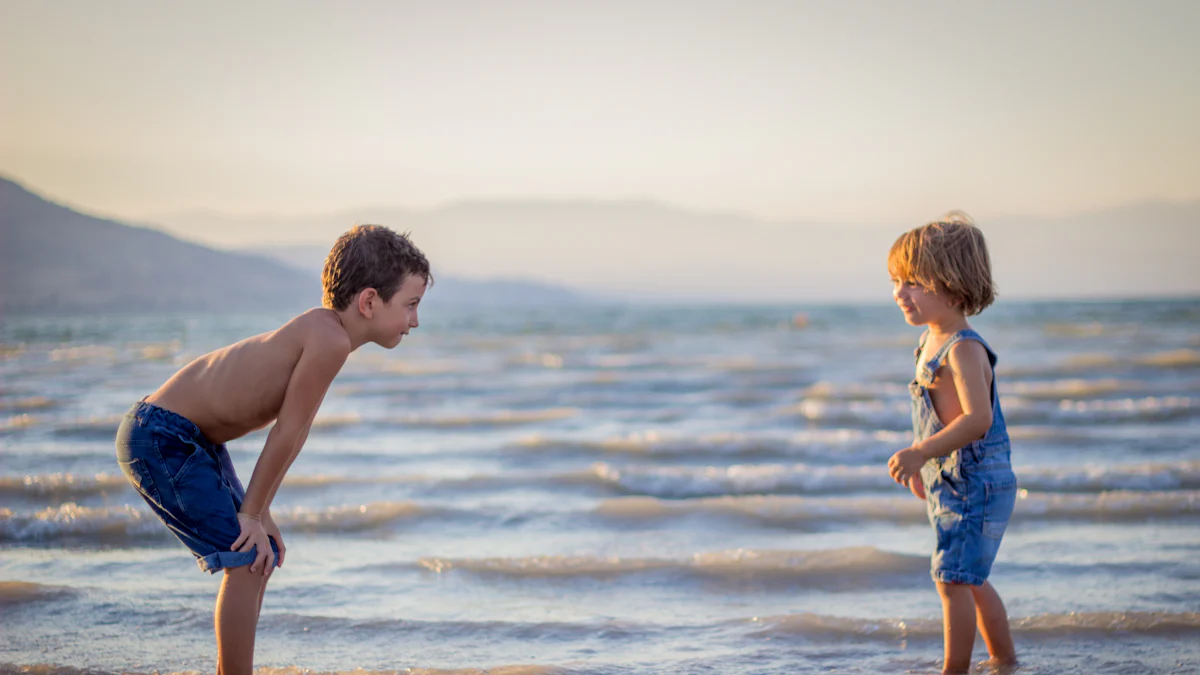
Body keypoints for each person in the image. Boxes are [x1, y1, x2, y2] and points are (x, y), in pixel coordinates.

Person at [114, 224, 431, 674]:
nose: (415, 320)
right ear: (369, 301)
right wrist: (250, 514)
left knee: (262, 554)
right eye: (411, 305)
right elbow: (288, 433)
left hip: (190, 438)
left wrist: (260, 512)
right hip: (161, 435)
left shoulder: (327, 333)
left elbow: (293, 435)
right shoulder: (330, 340)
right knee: (245, 558)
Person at [885, 211, 1019, 674]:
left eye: (913, 282)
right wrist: (926, 466)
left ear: (953, 285)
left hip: (975, 481)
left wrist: (922, 452)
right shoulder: (928, 341)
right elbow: (935, 419)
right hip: (953, 479)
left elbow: (977, 419)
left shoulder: (962, 347)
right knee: (970, 578)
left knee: (952, 581)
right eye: (896, 281)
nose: (900, 293)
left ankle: (954, 669)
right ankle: (1004, 660)